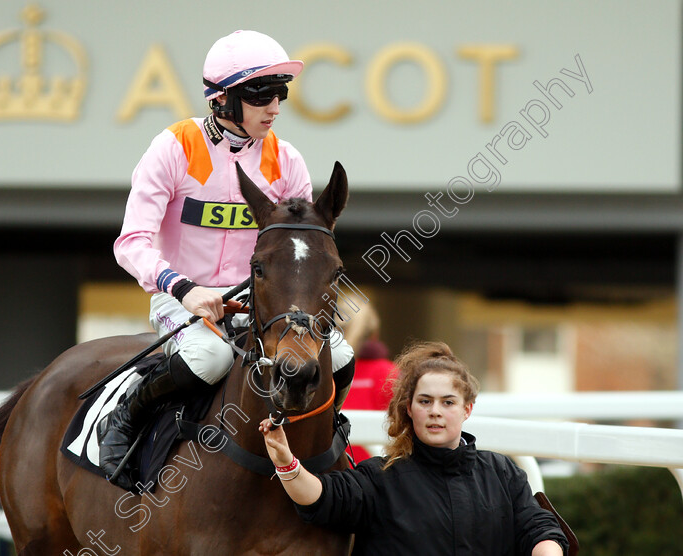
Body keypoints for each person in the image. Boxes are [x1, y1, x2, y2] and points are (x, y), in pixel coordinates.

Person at [100, 30, 355, 483]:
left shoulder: (287, 160)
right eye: (261, 95)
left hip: (259, 300)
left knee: (340, 355)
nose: (274, 107)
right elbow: (131, 242)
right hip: (180, 296)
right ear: (222, 100)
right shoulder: (173, 147)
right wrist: (185, 290)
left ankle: (327, 430)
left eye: (281, 93)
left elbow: (299, 249)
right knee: (211, 358)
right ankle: (127, 417)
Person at [259, 341, 569, 555]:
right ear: (409, 409)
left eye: (448, 402)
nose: (435, 411)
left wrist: (547, 549)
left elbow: (540, 529)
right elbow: (321, 497)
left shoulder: (504, 473)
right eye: (425, 401)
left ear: (467, 410)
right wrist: (286, 461)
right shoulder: (379, 477)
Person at [340, 303, 397, 463]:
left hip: (326, 475)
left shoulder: (318, 373)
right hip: (373, 472)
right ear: (375, 335)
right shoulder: (389, 373)